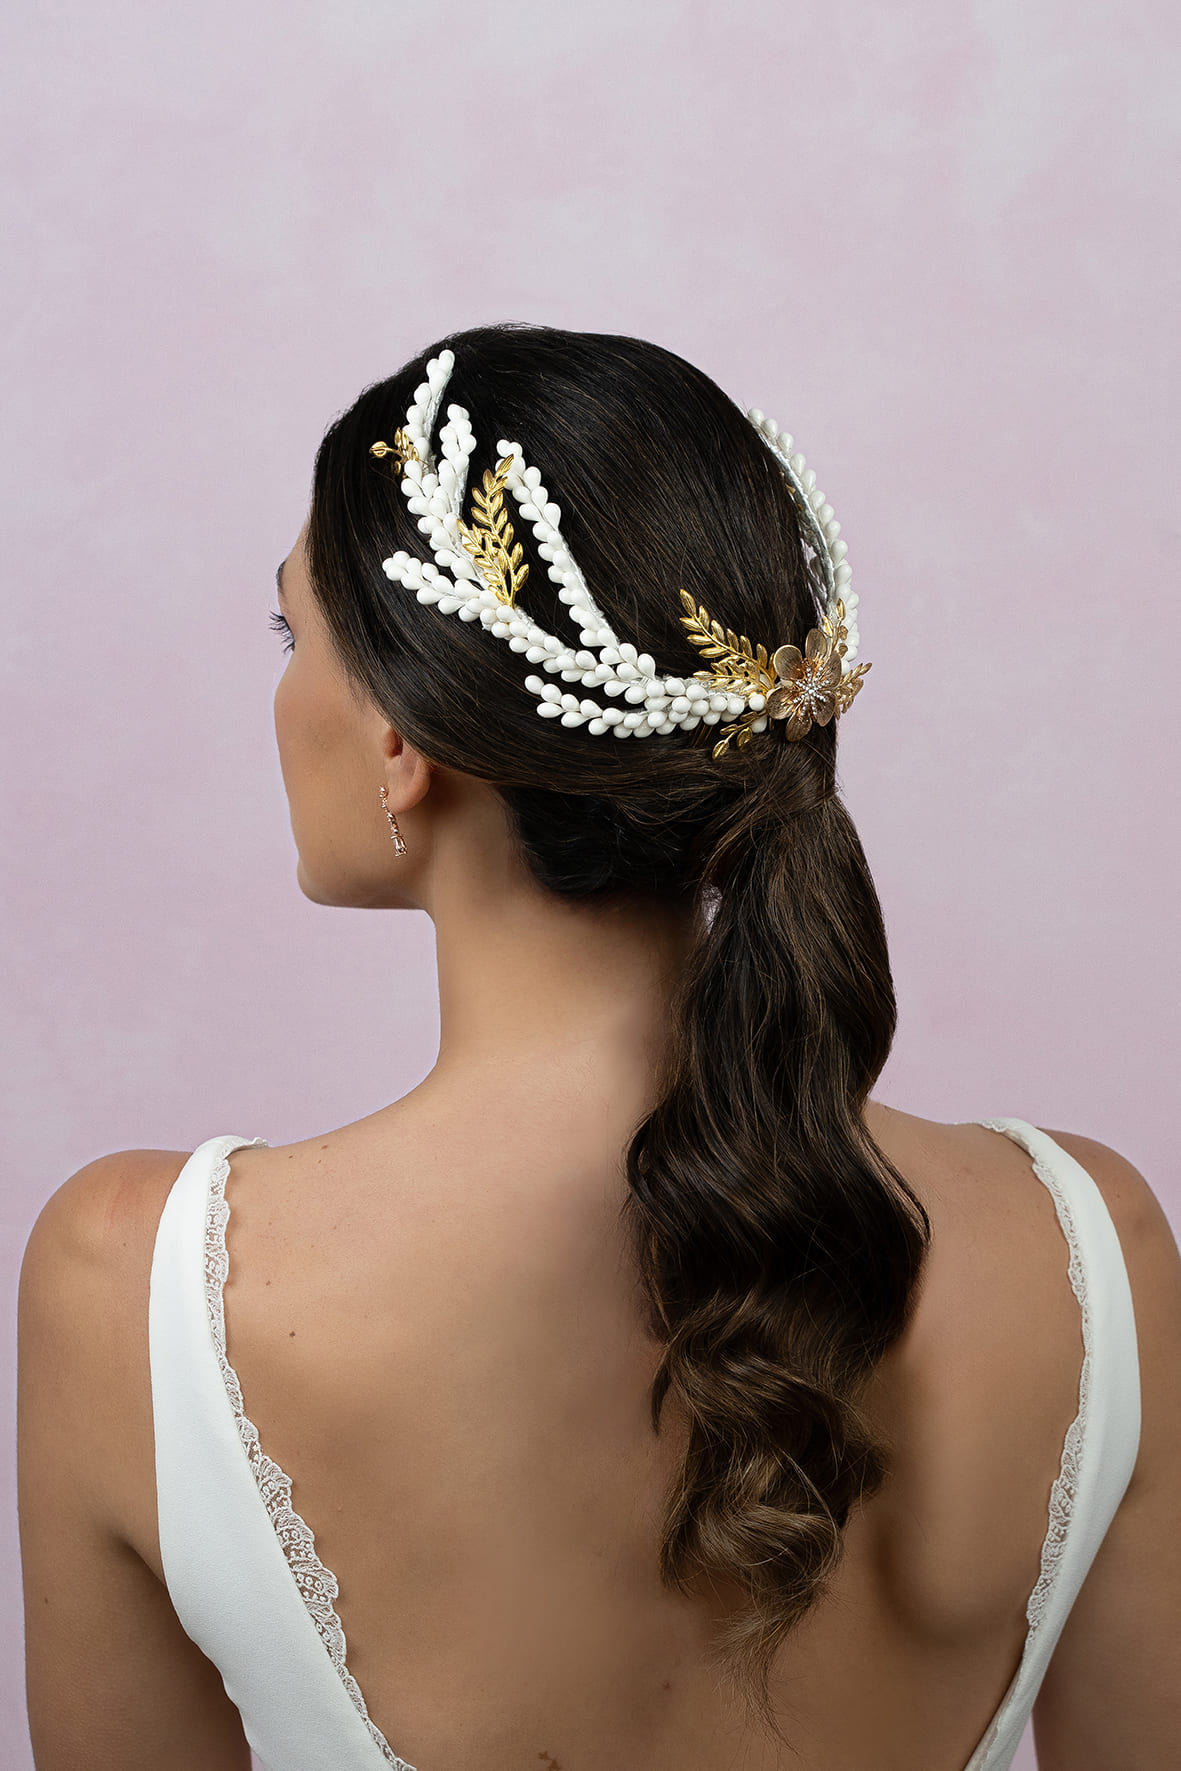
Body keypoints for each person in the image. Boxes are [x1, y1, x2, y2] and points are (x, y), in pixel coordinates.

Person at [17, 323, 1181, 1771]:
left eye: (289, 635)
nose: (280, 688)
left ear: (401, 740)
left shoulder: (135, 1292)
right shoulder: (1092, 1250)